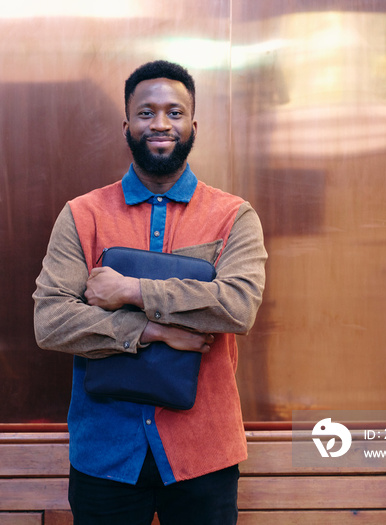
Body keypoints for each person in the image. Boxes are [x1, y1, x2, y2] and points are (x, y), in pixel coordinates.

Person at [33, 60, 267, 525]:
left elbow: (237, 307)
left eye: (174, 113)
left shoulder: (234, 217)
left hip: (204, 453)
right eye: (146, 113)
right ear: (127, 125)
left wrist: (131, 289)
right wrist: (154, 332)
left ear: (193, 125)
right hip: (105, 452)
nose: (160, 123)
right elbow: (51, 322)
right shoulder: (82, 216)